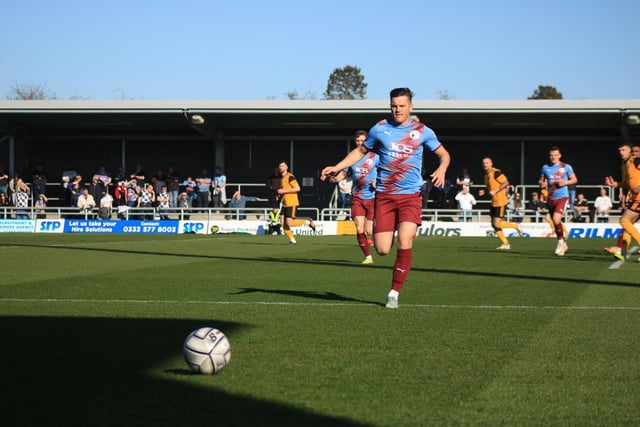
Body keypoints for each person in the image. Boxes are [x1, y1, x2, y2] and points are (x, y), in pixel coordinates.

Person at [321, 87, 450, 309]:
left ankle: (394, 293)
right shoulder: (379, 129)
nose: (397, 109)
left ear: (411, 106)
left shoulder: (422, 131)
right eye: (394, 105)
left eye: (402, 105)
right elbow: (360, 152)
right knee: (382, 249)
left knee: (405, 240)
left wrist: (442, 169)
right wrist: (337, 166)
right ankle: (401, 231)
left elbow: (443, 154)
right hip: (385, 197)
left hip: (410, 196)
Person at [328, 129, 379, 263]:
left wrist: (378, 181)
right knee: (359, 227)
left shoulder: (375, 157)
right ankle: (368, 257)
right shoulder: (352, 159)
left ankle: (385, 238)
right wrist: (334, 178)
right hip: (357, 197)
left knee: (369, 230)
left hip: (372, 198)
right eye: (357, 140)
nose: (359, 143)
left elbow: (385, 172)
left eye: (362, 140)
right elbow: (343, 173)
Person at [539, 145, 578, 256]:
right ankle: (562, 243)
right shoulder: (545, 167)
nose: (553, 157)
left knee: (556, 219)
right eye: (551, 155)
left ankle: (561, 242)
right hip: (550, 198)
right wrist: (542, 183)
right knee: (555, 222)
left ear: (560, 156)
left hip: (562, 197)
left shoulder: (566, 167)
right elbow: (541, 180)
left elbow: (575, 179)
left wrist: (565, 183)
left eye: (556, 155)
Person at [604, 141, 640, 261]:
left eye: (623, 150)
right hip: (635, 198)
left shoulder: (636, 160)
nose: (621, 152)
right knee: (627, 224)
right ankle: (623, 253)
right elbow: (627, 184)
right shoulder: (624, 165)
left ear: (630, 150)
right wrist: (614, 184)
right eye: (619, 150)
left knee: (624, 221)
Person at [478, 157, 523, 250]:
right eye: (484, 163)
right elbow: (490, 188)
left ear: (491, 163)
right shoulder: (486, 176)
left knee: (497, 224)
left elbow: (506, 182)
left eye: (487, 163)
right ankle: (506, 244)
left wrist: (496, 190)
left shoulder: (496, 172)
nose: (485, 165)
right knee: (493, 224)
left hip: (501, 201)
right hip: (493, 202)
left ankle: (516, 225)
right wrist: (485, 191)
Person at [277, 160, 316, 244]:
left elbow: (298, 188)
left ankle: (308, 221)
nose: (281, 167)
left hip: (292, 202)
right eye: (280, 166)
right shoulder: (282, 178)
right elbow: (284, 190)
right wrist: (280, 195)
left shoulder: (290, 177)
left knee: (289, 223)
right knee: (282, 222)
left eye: (283, 166)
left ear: (286, 167)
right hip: (285, 203)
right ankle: (292, 240)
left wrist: (284, 191)